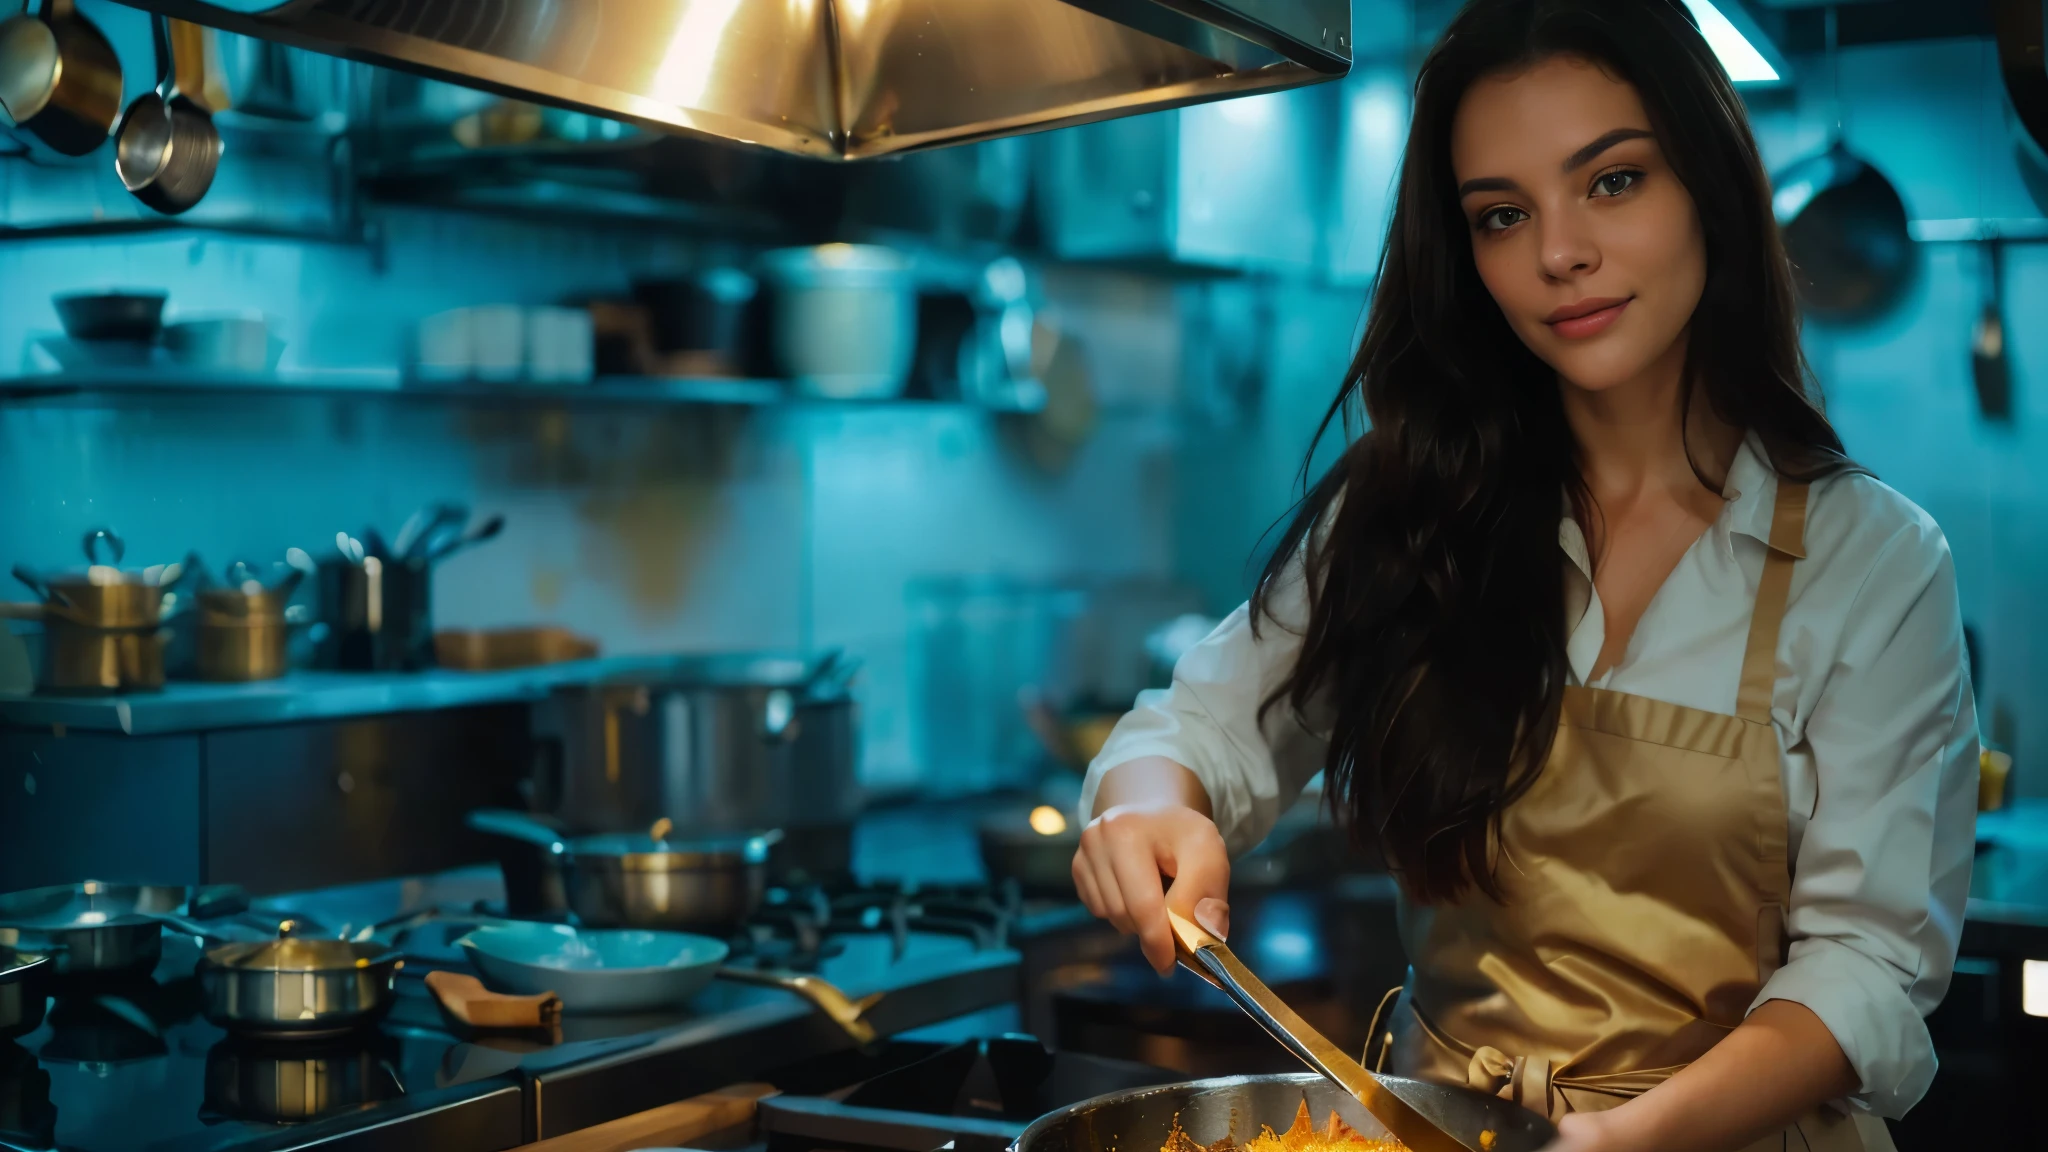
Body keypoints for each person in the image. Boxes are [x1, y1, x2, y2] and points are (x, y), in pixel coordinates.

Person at [1070, 3, 1979, 1151]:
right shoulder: (1405, 509)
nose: (1557, 253)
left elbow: (1866, 977)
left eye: (1610, 182)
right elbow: (1193, 731)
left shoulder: (1874, 563)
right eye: (1501, 214)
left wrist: (1610, 1142)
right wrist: (1148, 808)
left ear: (1706, 182)